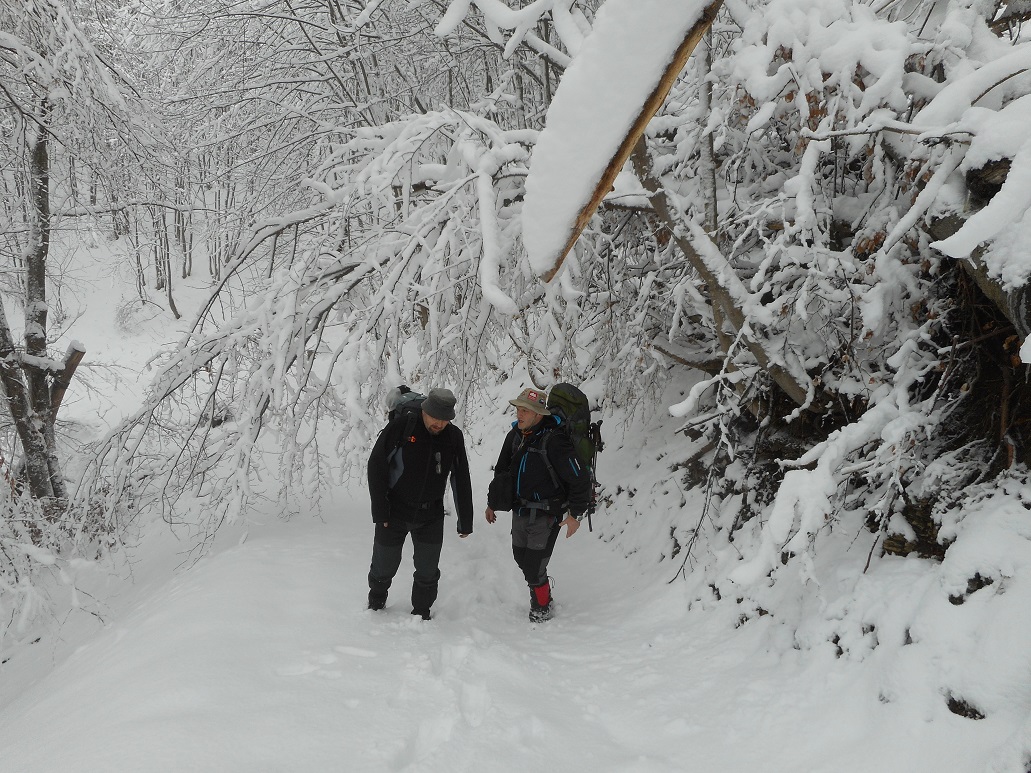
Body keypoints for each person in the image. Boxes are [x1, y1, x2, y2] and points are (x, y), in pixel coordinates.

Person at [485, 387, 591, 622]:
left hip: (547, 514)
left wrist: (576, 514)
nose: (519, 415)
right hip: (520, 510)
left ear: (539, 414)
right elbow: (501, 472)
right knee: (520, 558)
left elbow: (579, 478)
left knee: (533, 566)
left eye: (525, 410)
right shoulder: (515, 436)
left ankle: (541, 606)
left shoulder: (555, 440)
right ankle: (540, 588)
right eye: (518, 409)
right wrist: (492, 503)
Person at [367, 387, 473, 620]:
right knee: (384, 565)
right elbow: (376, 466)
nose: (440, 424)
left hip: (431, 514)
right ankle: (376, 602)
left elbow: (461, 476)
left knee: (427, 570)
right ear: (425, 411)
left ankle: (422, 613)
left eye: (445, 420)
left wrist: (465, 520)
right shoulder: (402, 427)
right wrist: (380, 511)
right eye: (436, 418)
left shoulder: (453, 437)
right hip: (394, 511)